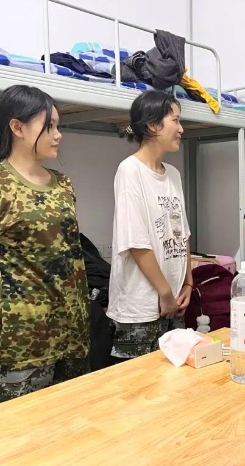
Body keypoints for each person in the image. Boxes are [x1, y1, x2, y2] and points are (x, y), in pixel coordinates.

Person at [0, 85, 89, 402]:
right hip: (23, 343)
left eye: (58, 126)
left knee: (72, 420)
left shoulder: (63, 183)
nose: (58, 134)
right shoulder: (3, 183)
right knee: (24, 429)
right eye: (49, 126)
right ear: (17, 127)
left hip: (72, 333)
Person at [107, 91, 193, 362]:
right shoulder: (130, 170)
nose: (181, 128)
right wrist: (165, 293)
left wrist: (188, 282)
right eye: (175, 120)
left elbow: (182, 234)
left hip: (173, 302)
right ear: (153, 125)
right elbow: (136, 243)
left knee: (174, 380)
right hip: (140, 309)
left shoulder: (173, 174)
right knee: (138, 384)